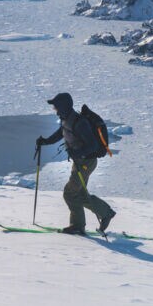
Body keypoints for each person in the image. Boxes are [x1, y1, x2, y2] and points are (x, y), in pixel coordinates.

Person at [36, 92, 115, 236]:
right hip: (81, 162)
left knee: (70, 193)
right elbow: (62, 133)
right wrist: (45, 141)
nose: (55, 110)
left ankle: (79, 225)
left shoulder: (80, 123)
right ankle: (104, 213)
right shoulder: (67, 119)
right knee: (78, 193)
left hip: (86, 162)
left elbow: (92, 145)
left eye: (56, 107)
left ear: (64, 107)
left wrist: (77, 153)